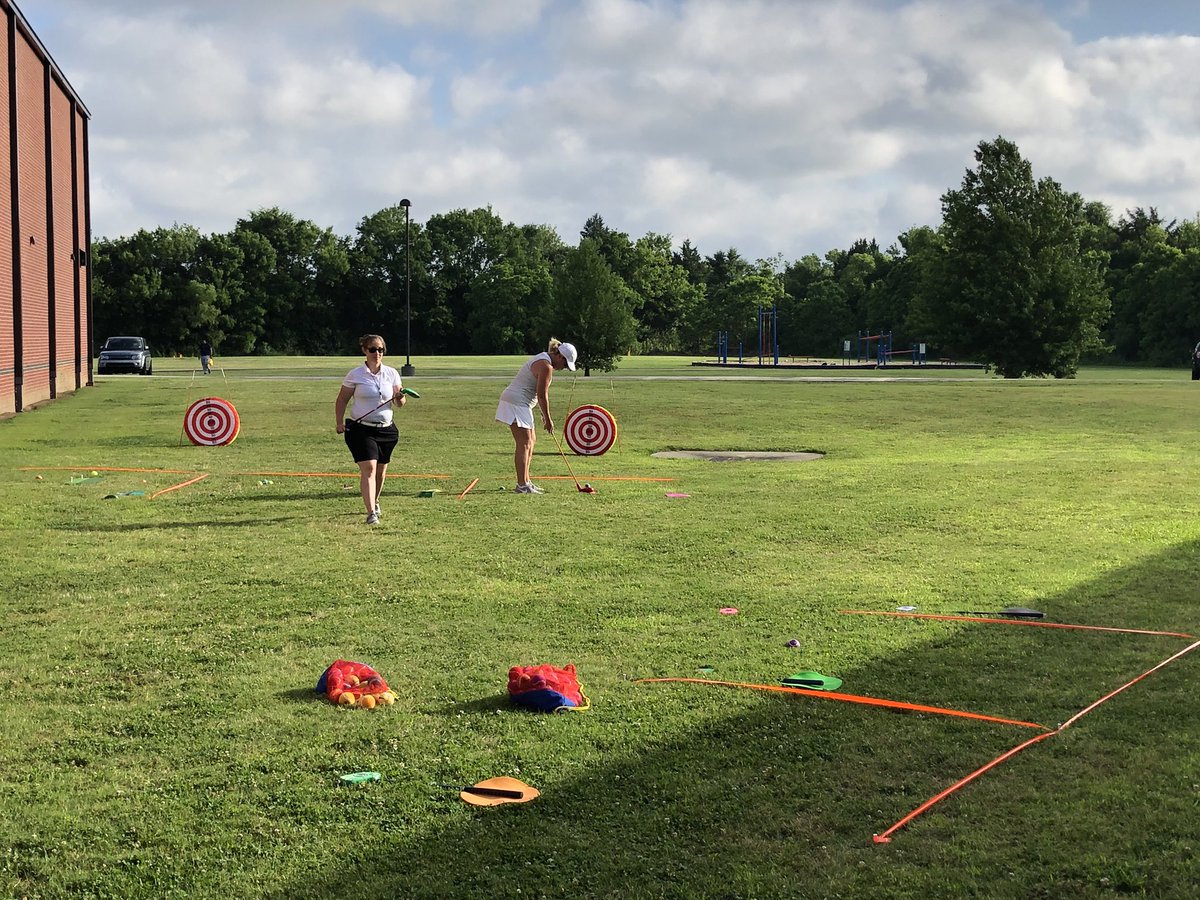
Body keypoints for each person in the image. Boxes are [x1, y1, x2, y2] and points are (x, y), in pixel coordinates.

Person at [335, 334, 408, 524]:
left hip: (386, 430)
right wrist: (339, 421)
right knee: (369, 468)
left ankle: (374, 502)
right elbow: (342, 399)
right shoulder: (355, 374)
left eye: (381, 350)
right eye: (373, 349)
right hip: (361, 430)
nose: (377, 353)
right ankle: (370, 513)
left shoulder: (391, 373)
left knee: (381, 471)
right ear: (364, 351)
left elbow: (400, 403)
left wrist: (400, 396)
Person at [495, 338, 576, 493]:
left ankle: (526, 481)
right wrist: (548, 418)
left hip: (521, 403)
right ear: (560, 356)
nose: (564, 368)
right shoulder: (546, 366)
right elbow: (541, 395)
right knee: (524, 443)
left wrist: (543, 415)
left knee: (531, 440)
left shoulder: (545, 360)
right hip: (516, 402)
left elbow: (537, 392)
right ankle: (522, 485)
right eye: (565, 364)